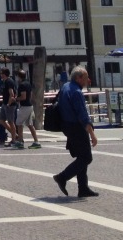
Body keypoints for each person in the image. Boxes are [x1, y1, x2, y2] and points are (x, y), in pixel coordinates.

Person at [53, 66, 99, 197]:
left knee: (81, 157)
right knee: (86, 157)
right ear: (79, 78)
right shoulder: (77, 92)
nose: (88, 80)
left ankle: (83, 188)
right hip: (76, 127)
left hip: (66, 125)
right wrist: (92, 135)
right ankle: (62, 177)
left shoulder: (66, 87)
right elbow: (82, 116)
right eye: (85, 77)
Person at [14, 70, 41, 149]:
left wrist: (16, 99)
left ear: (19, 76)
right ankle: (36, 141)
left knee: (18, 123)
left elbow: (23, 97)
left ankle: (20, 141)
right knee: (30, 124)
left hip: (24, 106)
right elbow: (31, 95)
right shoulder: (28, 83)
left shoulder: (22, 85)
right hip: (30, 105)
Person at [0, 68, 18, 146]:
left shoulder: (9, 81)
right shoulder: (5, 81)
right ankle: (15, 134)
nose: (1, 75)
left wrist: (9, 103)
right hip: (4, 103)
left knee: (11, 121)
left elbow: (12, 94)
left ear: (5, 74)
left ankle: (13, 140)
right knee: (1, 120)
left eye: (2, 73)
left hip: (9, 105)